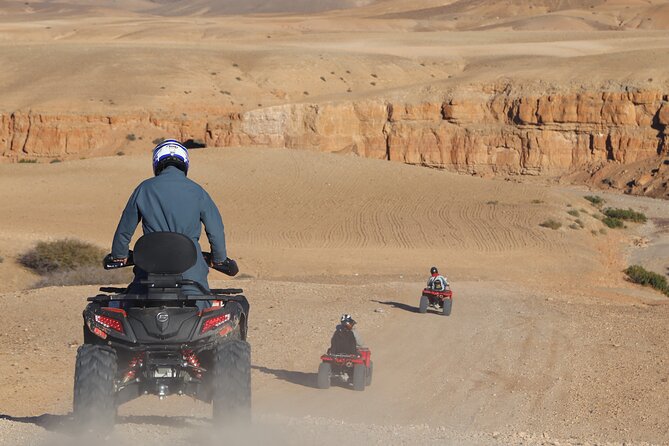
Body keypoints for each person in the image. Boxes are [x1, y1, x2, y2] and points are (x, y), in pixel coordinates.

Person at [110, 139, 235, 308]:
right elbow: (216, 230)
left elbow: (124, 230)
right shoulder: (198, 191)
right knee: (201, 308)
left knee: (132, 305)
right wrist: (219, 259)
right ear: (185, 164)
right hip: (191, 269)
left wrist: (119, 255)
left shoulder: (143, 189)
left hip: (149, 268)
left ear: (157, 162)